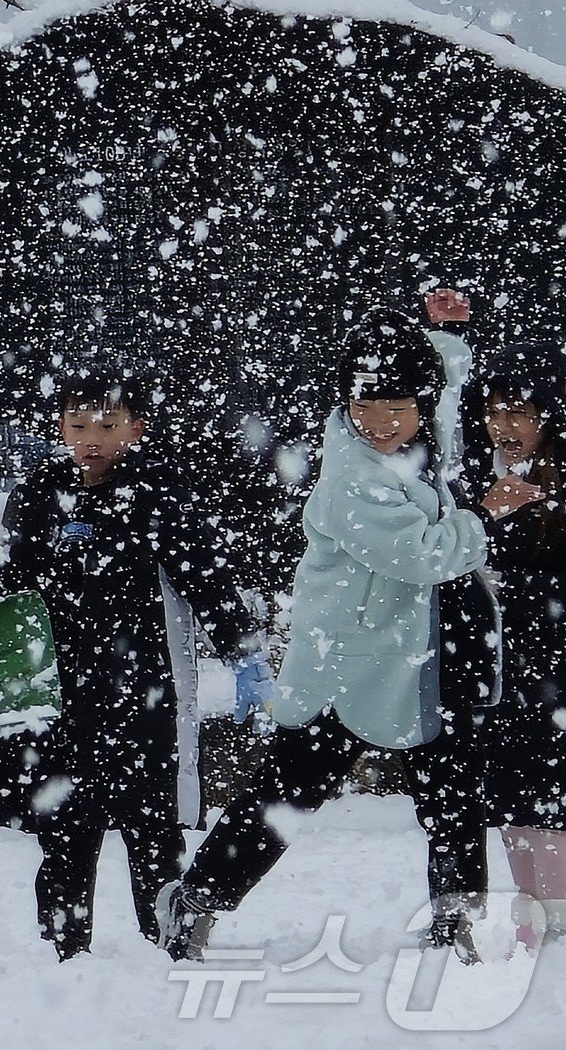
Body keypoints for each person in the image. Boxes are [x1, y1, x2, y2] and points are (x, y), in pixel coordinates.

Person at [158, 307, 533, 964]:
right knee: (292, 790)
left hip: (427, 655)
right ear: (346, 400)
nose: (382, 420)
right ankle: (196, 900)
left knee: (452, 789)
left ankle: (456, 914)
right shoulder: (353, 476)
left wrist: (441, 327)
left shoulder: (430, 430)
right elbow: (421, 556)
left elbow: (448, 377)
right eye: (367, 402)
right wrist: (487, 518)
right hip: (351, 664)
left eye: (398, 404)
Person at [0, 366, 271, 958]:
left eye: (107, 424)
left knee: (154, 828)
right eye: (76, 423)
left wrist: (245, 654)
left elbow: (206, 577)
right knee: (65, 829)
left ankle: (167, 943)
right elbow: (14, 585)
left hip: (146, 687)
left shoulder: (158, 492)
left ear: (136, 428)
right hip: (58, 692)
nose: (90, 437)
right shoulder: (40, 491)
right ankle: (66, 954)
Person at [463, 342, 561, 951]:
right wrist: (482, 513)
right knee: (515, 797)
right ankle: (534, 922)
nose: (505, 427)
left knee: (552, 794)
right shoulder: (476, 479)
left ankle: (555, 921)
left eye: (519, 413)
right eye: (495, 413)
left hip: (554, 665)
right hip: (504, 669)